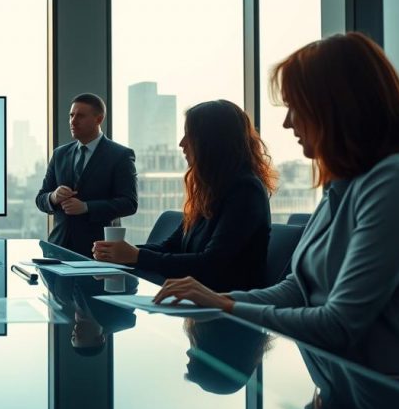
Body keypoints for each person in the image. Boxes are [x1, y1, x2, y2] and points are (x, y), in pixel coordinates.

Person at [154, 32, 399, 378]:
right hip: (338, 383)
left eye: (295, 107)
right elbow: (295, 288)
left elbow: (338, 324)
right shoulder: (342, 187)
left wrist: (226, 304)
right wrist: (217, 298)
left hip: (382, 397)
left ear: (335, 107)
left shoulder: (394, 182)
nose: (288, 122)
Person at [93, 100, 276, 292]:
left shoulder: (245, 190)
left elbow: (211, 264)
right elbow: (172, 246)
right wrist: (118, 252)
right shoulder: (210, 190)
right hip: (199, 301)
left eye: (190, 135)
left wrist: (136, 256)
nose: (182, 143)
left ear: (213, 141)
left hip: (227, 308)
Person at [36, 93, 138, 257]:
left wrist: (86, 207)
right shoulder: (59, 154)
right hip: (58, 250)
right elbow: (40, 199)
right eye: (71, 115)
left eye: (80, 116)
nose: (73, 121)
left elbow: (129, 203)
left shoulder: (120, 155)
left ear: (99, 119)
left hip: (98, 252)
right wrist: (53, 197)